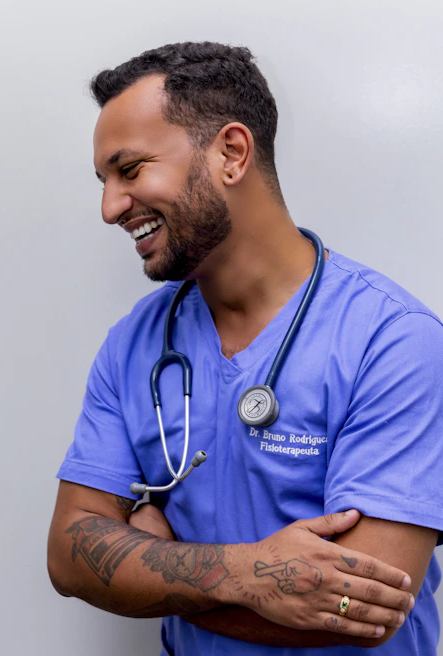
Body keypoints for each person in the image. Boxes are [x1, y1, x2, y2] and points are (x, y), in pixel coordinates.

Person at [47, 42, 443, 655]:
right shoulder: (134, 344)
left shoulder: (394, 341)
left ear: (231, 153)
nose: (110, 208)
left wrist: (162, 562)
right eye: (103, 181)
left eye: (130, 170)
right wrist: (249, 574)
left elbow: (363, 609)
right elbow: (71, 556)